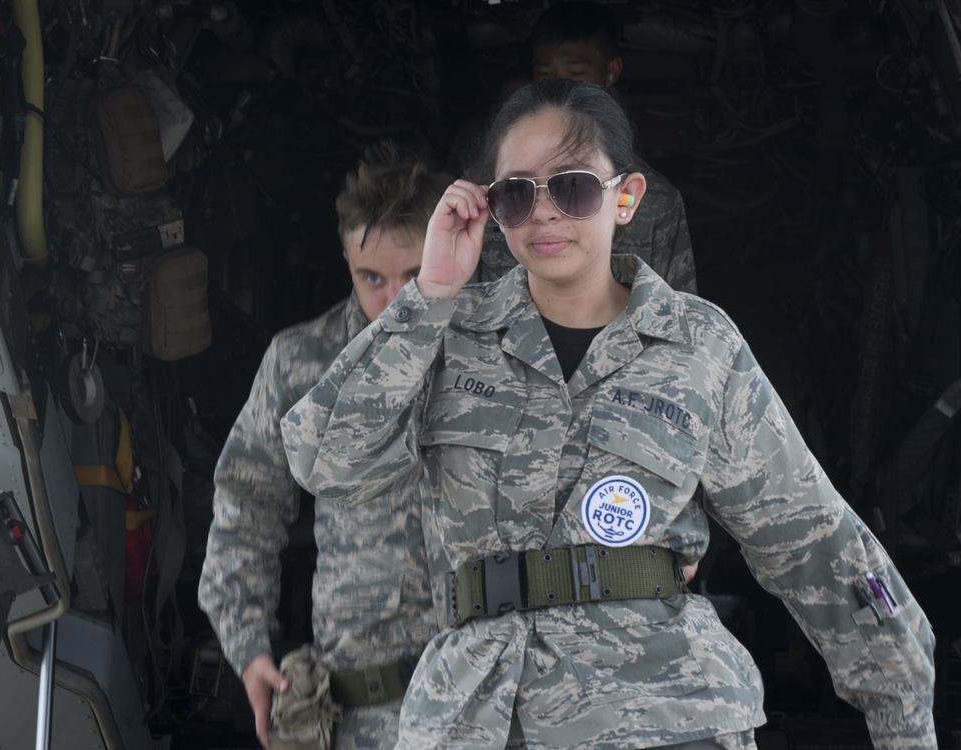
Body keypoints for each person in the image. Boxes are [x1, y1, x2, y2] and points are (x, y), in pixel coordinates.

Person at [282, 78, 937, 749]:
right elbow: (323, 460)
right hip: (474, 720)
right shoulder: (447, 337)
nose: (545, 214)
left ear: (625, 198)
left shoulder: (697, 344)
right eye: (515, 195)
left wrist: (904, 716)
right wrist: (431, 292)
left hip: (662, 713)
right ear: (491, 209)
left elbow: (813, 541)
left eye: (572, 188)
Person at [198, 139, 452, 749]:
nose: (394, 302)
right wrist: (248, 646)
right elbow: (245, 507)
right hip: (366, 710)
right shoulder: (301, 362)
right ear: (343, 255)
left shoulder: (494, 356)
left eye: (415, 277)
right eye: (372, 277)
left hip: (493, 706)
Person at [475, 0, 697, 296]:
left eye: (576, 74)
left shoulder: (656, 199)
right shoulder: (488, 195)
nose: (543, 213)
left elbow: (678, 309)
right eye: (546, 74)